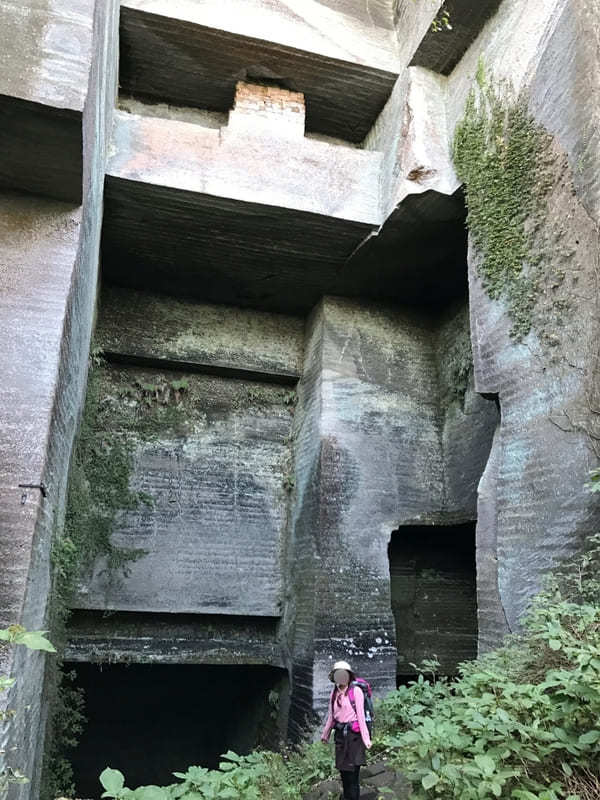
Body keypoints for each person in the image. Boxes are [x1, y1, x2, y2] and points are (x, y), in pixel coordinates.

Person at [320, 660, 371, 800]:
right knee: (344, 775)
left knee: (353, 777)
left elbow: (361, 716)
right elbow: (331, 717)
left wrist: (366, 739)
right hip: (341, 738)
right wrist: (325, 735)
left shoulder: (356, 692)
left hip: (354, 738)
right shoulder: (334, 693)